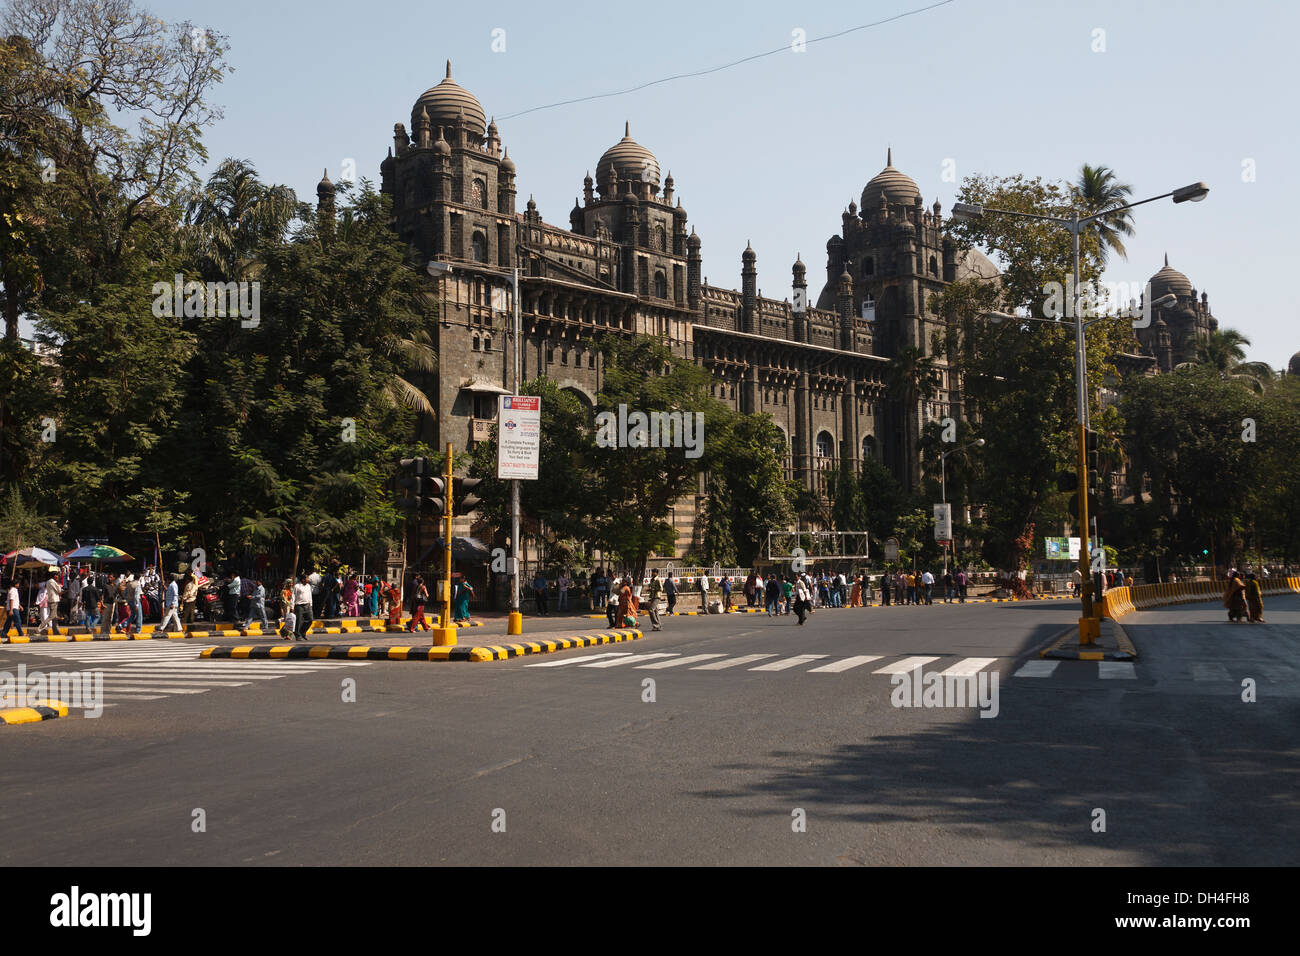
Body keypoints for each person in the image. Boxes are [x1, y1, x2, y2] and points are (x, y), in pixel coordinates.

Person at [293, 573, 314, 640]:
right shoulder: (297, 586)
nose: (308, 579)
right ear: (303, 579)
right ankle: (297, 635)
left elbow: (310, 595)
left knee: (310, 619)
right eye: (307, 578)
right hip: (299, 606)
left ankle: (303, 632)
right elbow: (293, 596)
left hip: (307, 605)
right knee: (298, 621)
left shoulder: (308, 586)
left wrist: (310, 604)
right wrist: (291, 606)